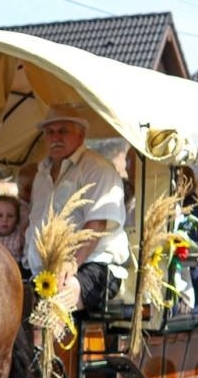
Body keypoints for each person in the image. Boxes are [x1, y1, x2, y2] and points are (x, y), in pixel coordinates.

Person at [23, 103, 129, 311]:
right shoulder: (41, 174)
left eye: (63, 131)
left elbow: (95, 225)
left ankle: (43, 342)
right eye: (50, 132)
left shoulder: (97, 169)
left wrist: (71, 265)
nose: (55, 137)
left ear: (80, 136)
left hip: (94, 266)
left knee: (59, 300)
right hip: (44, 269)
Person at [0, 194, 27, 268]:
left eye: (10, 216)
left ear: (17, 219)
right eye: (0, 215)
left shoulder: (20, 237)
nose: (5, 220)